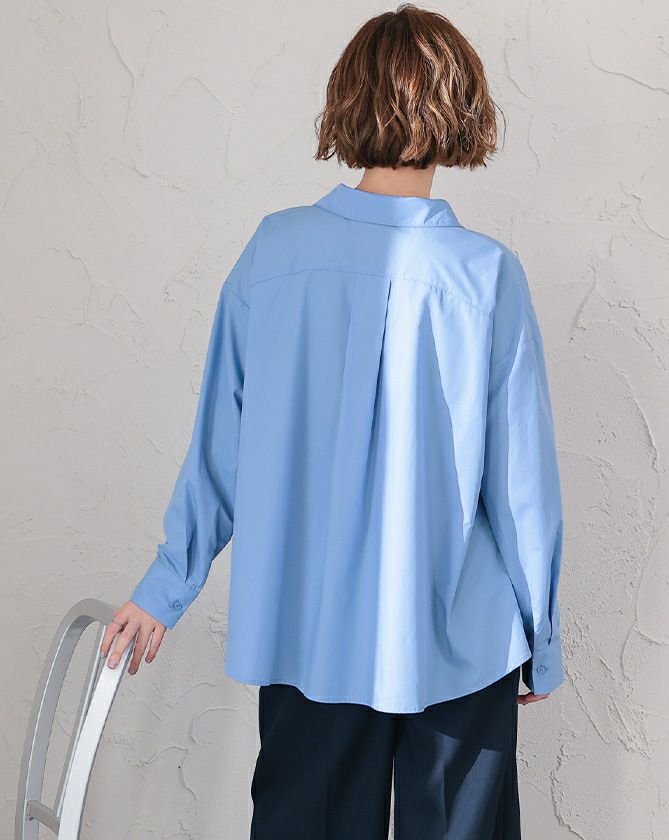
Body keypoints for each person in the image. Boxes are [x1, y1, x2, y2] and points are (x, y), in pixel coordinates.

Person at [101, 4, 565, 837]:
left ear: (347, 102)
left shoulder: (273, 255)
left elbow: (221, 447)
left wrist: (166, 587)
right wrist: (541, 636)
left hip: (308, 634)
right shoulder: (485, 277)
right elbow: (521, 487)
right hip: (460, 642)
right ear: (463, 110)